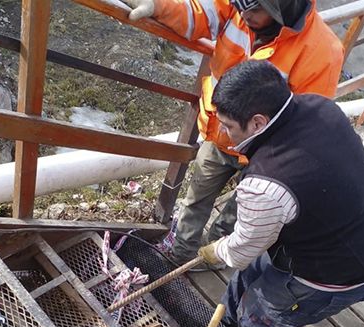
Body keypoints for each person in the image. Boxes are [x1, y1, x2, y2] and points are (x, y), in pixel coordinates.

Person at [196, 60, 364, 327]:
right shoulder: (321, 107)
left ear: (258, 122)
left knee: (256, 320)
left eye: (228, 126)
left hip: (337, 271)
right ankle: (226, 323)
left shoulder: (265, 185)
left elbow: (240, 252)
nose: (223, 132)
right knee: (248, 277)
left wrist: (216, 250)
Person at [120, 0, 344, 264]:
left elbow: (305, 120)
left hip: (263, 155)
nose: (244, 14)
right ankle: (180, 254)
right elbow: (200, 13)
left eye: (256, 10)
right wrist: (158, 6)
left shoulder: (323, 52)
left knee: (239, 212)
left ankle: (209, 258)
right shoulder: (240, 7)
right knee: (196, 198)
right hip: (219, 136)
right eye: (241, 4)